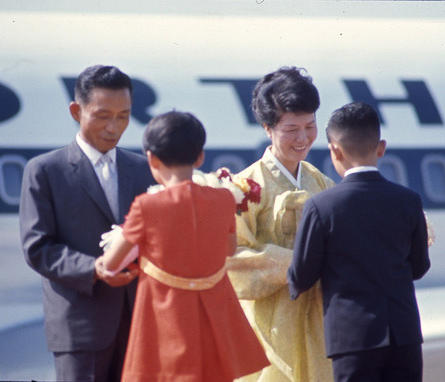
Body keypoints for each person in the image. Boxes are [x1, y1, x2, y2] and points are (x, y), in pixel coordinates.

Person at [97, 111, 270, 381]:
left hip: (165, 319)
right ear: (200, 157)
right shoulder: (224, 199)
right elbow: (228, 249)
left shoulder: (147, 205)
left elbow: (111, 264)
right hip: (213, 317)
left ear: (151, 159)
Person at [19, 65, 154, 381]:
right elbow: (37, 248)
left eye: (123, 116)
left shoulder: (144, 168)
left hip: (139, 324)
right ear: (76, 111)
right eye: (103, 115)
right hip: (79, 325)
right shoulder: (45, 170)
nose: (114, 127)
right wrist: (95, 268)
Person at [288, 102, 431, 382]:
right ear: (381, 147)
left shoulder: (321, 206)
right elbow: (419, 266)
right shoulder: (408, 200)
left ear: (334, 151)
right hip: (404, 335)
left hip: (353, 339)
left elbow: (302, 274)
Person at [226, 67, 335, 381]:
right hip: (267, 326)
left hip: (317, 322)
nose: (303, 138)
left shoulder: (320, 182)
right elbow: (232, 259)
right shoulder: (243, 187)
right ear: (267, 127)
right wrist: (301, 265)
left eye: (310, 126)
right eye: (291, 129)